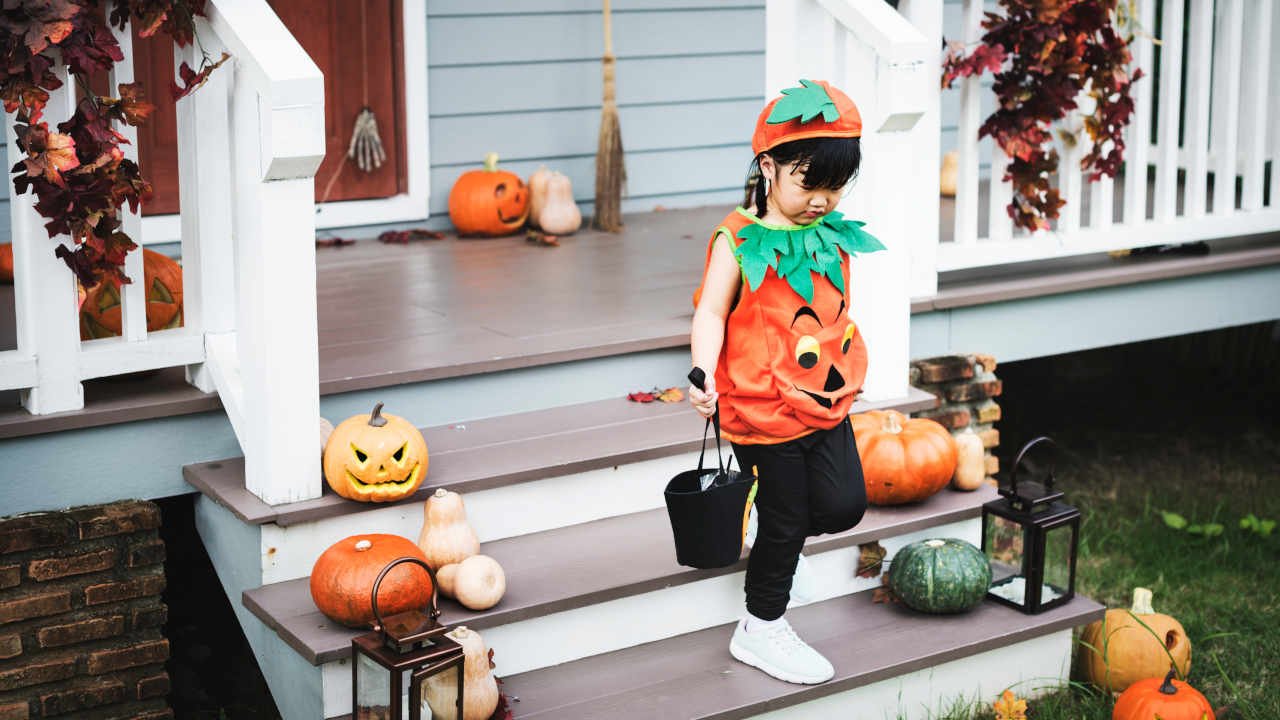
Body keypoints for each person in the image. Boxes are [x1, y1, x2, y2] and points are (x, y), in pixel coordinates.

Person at [688, 79, 884, 685]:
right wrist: (701, 374)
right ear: (769, 167)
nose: (824, 199)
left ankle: (779, 536)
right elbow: (711, 312)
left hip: (825, 398)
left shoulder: (829, 232)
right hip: (759, 408)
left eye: (836, 186)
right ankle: (760, 626)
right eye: (810, 183)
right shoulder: (737, 239)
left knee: (844, 504)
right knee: (785, 516)